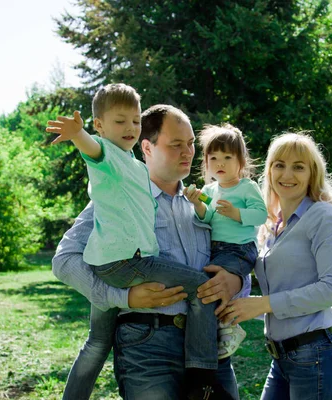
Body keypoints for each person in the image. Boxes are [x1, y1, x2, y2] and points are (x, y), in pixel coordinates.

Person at [52, 103, 250, 399]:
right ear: (147, 146)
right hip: (147, 348)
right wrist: (123, 297)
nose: (188, 152)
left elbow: (238, 253)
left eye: (191, 143)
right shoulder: (118, 198)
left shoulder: (207, 203)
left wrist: (235, 279)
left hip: (211, 351)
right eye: (176, 145)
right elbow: (64, 261)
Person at [219, 132, 332, 399]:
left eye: (298, 167)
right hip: (281, 359)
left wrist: (264, 304)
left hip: (316, 357)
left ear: (312, 174)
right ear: (269, 171)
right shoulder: (272, 227)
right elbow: (285, 293)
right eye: (279, 165)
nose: (287, 174)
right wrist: (241, 308)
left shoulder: (323, 217)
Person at [184, 124, 267, 358]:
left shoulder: (246, 187)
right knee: (209, 286)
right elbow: (207, 216)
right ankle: (221, 326)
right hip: (216, 249)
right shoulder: (209, 190)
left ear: (240, 161)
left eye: (227, 157)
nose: (220, 163)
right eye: (214, 158)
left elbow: (261, 215)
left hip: (240, 249)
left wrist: (237, 214)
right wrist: (198, 203)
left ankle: (229, 327)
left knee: (217, 286)